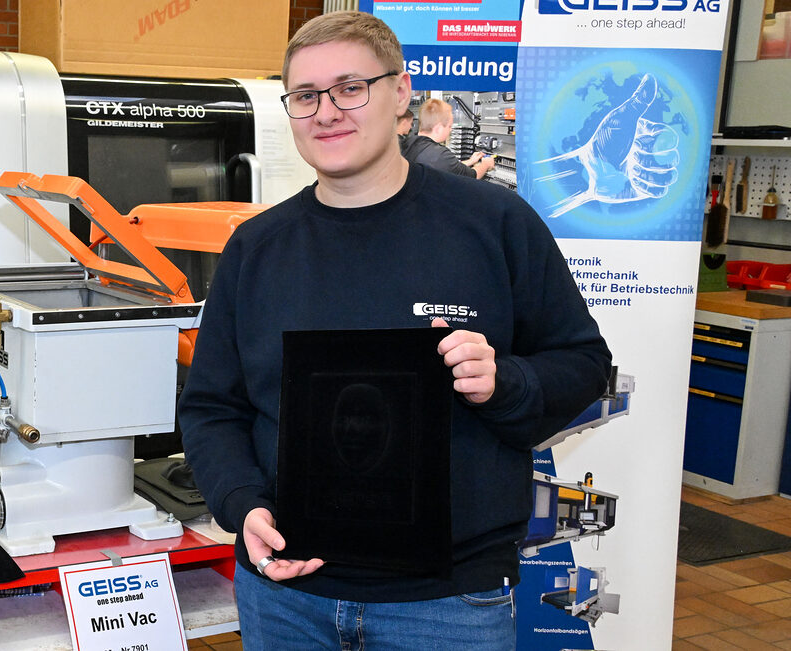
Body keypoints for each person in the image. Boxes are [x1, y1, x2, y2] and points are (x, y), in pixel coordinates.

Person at [178, 11, 610, 649]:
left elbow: (583, 361)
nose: (327, 112)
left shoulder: (494, 225)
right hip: (285, 597)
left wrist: (505, 381)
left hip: (448, 601)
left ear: (401, 93)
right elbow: (212, 407)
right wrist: (243, 505)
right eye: (306, 96)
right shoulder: (256, 249)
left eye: (351, 88)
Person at [403, 97, 496, 179]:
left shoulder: (408, 143)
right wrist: (486, 164)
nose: (450, 130)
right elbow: (473, 176)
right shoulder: (440, 154)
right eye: (449, 126)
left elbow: (447, 167)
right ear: (438, 128)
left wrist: (471, 161)